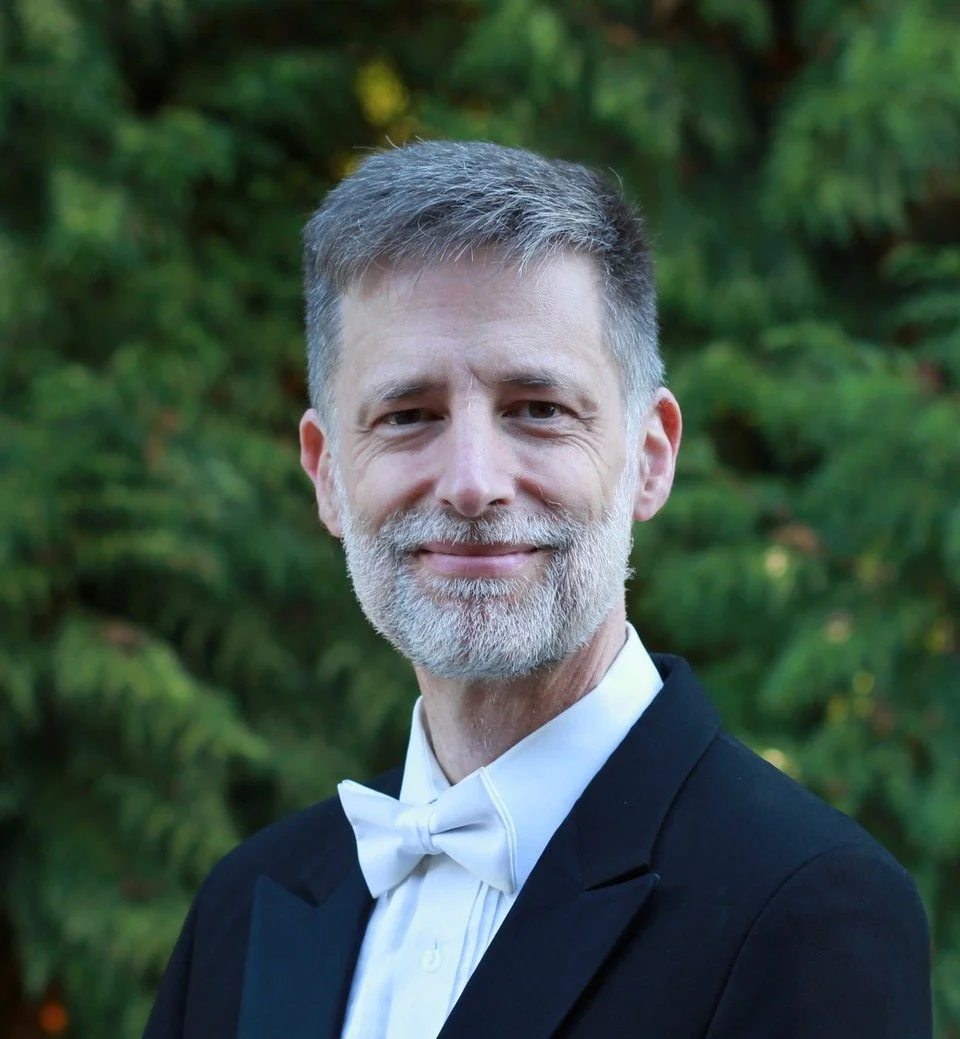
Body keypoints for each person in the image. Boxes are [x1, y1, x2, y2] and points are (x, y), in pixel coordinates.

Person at [144, 140, 931, 1039]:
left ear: (649, 456)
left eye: (538, 408)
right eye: (409, 415)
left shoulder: (809, 910)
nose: (473, 482)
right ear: (327, 474)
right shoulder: (244, 910)